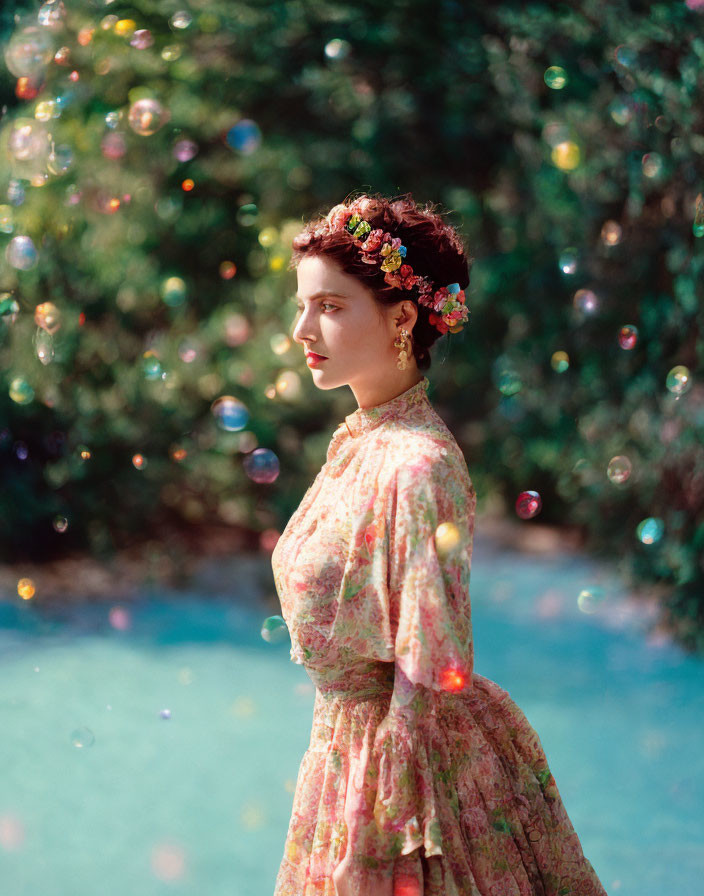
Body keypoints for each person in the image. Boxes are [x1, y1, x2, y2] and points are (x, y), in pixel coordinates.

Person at [271, 193, 608, 896]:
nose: (303, 328)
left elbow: (429, 661)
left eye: (330, 306)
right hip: (343, 751)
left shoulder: (418, 464)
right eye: (302, 305)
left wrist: (386, 825)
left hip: (401, 771)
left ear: (401, 318)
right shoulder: (360, 444)